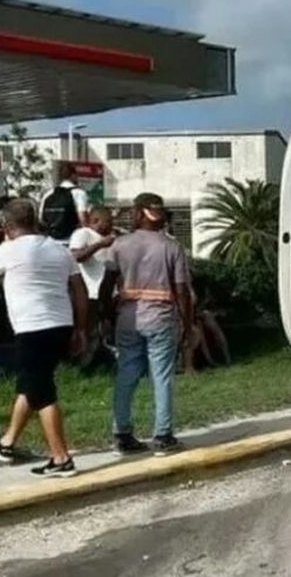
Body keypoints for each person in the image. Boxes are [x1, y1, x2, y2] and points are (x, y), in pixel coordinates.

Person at [0, 199, 90, 477]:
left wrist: (0, 247)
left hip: (31, 328)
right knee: (32, 382)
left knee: (42, 393)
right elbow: (80, 290)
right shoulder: (59, 250)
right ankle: (8, 442)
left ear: (6, 225)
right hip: (61, 325)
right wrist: (82, 329)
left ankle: (61, 459)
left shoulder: (9, 249)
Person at [111, 193, 193, 456]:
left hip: (127, 317)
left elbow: (105, 285)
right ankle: (163, 436)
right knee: (162, 376)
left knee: (126, 375)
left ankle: (122, 435)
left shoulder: (120, 244)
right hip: (160, 317)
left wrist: (102, 316)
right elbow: (181, 290)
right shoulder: (171, 247)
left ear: (137, 213)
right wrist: (187, 324)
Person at [70, 208, 118, 365]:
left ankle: (96, 359)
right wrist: (100, 245)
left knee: (101, 330)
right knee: (87, 330)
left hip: (104, 293)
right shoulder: (83, 234)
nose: (111, 225)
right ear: (96, 221)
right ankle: (81, 362)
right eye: (108, 222)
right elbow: (76, 256)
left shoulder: (106, 239)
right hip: (88, 292)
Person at [39, 164, 90, 244]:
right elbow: (82, 218)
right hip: (72, 241)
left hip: (52, 241)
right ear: (74, 175)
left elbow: (41, 219)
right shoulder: (79, 193)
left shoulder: (48, 194)